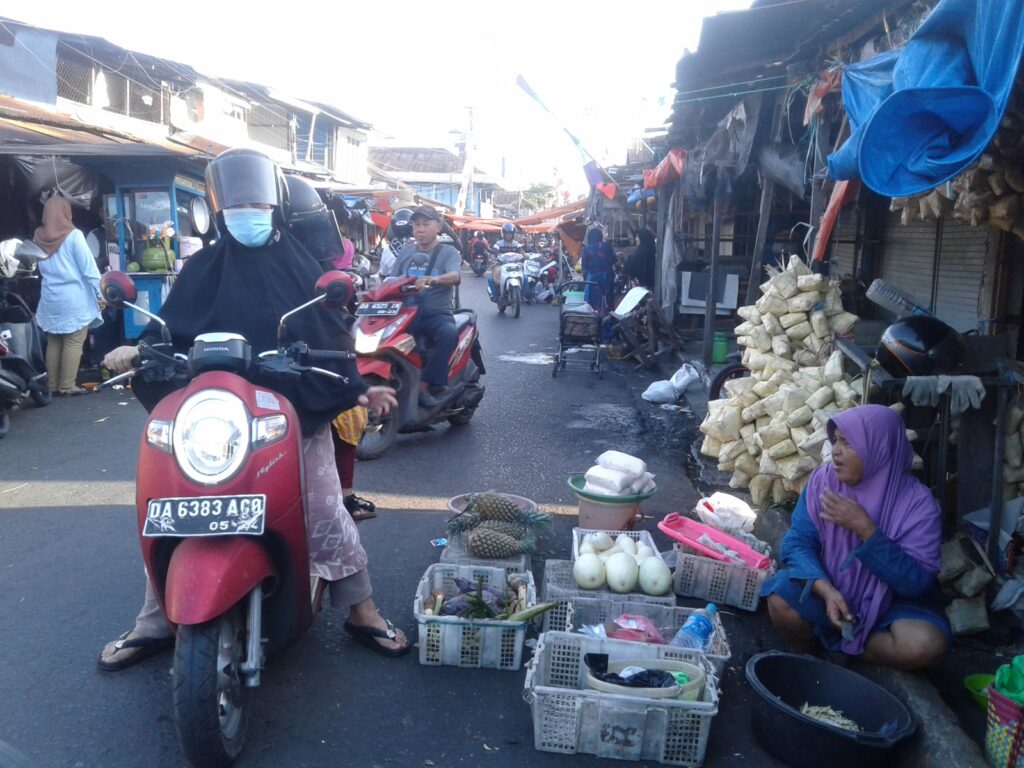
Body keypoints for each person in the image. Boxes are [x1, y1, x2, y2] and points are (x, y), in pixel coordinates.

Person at [97, 148, 409, 670]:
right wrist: (135, 349)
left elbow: (329, 334)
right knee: (169, 506)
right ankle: (154, 617)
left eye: (256, 206)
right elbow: (170, 330)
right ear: (220, 215)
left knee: (326, 505)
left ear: (274, 208)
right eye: (237, 208)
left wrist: (358, 390)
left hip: (286, 413)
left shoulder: (299, 267)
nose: (247, 216)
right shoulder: (201, 267)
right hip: (213, 413)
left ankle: (362, 609)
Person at [762, 404, 950, 670]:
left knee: (924, 645)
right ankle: (807, 661)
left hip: (893, 605)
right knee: (781, 600)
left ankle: (845, 646)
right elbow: (798, 543)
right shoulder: (823, 482)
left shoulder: (917, 505)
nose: (836, 451)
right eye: (836, 440)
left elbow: (917, 583)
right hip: (833, 588)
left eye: (848, 443)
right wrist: (825, 589)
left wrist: (866, 530)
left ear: (879, 449)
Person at [389, 205, 462, 409]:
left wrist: (434, 279)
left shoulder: (448, 252)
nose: (420, 229)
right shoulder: (405, 253)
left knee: (448, 334)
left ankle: (426, 385)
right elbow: (391, 279)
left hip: (435, 314)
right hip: (404, 313)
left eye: (425, 224)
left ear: (438, 227)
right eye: (416, 225)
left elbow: (455, 276)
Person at [32, 194, 104, 396]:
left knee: (54, 340)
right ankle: (67, 385)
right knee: (74, 340)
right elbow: (89, 269)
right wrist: (101, 294)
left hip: (50, 296)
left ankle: (53, 385)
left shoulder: (38, 236)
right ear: (67, 212)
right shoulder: (74, 236)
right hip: (74, 297)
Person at [580, 226, 616, 313]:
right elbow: (614, 260)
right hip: (607, 277)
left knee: (594, 301)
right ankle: (608, 319)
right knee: (608, 300)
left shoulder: (586, 249)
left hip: (593, 279)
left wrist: (585, 280)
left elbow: (584, 268)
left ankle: (595, 320)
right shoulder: (607, 246)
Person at [488, 222, 522, 300]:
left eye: (510, 233)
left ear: (513, 234)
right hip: (501, 265)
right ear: (503, 234)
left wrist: (526, 257)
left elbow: (522, 253)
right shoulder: (498, 244)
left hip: (515, 265)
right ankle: (497, 296)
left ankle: (523, 295)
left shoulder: (517, 244)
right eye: (507, 233)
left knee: (526, 278)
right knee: (491, 278)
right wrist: (493, 261)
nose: (508, 235)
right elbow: (493, 254)